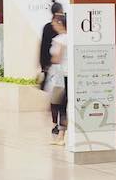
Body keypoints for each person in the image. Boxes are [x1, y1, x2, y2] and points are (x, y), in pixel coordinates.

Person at [47, 14, 68, 145]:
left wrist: (50, 61)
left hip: (60, 75)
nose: (53, 26)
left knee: (59, 105)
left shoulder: (60, 39)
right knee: (62, 105)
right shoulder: (70, 38)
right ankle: (60, 134)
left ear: (60, 23)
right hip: (66, 74)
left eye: (54, 23)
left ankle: (60, 135)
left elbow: (57, 58)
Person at [38, 1, 64, 87]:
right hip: (58, 68)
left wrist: (43, 65)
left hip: (50, 66)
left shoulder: (47, 27)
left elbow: (43, 47)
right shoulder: (63, 29)